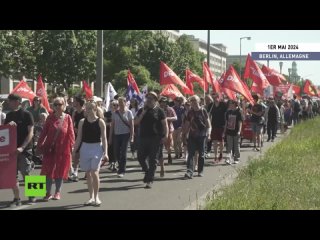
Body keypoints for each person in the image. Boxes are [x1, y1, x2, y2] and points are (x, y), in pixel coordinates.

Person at [36, 97, 75, 201]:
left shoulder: (68, 118)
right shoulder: (50, 118)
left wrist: (73, 148)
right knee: (47, 170)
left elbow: (71, 134)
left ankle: (57, 192)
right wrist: (39, 146)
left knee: (60, 171)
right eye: (55, 104)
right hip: (50, 148)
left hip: (63, 149)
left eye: (60, 104)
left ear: (64, 106)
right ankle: (47, 193)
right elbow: (44, 133)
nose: (57, 106)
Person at [73, 101, 108, 206]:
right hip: (85, 147)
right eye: (87, 108)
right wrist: (75, 150)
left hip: (97, 147)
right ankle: (91, 197)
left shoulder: (100, 122)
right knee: (88, 173)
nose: (88, 110)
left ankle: (97, 197)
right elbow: (79, 137)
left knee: (94, 171)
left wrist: (106, 152)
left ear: (95, 108)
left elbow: (104, 138)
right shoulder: (82, 122)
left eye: (90, 108)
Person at [4, 94, 35, 207]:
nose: (9, 103)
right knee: (12, 174)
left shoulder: (27, 114)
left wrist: (22, 147)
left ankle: (34, 194)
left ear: (17, 101)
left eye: (11, 101)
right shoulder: (8, 115)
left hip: (25, 148)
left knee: (26, 172)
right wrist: (8, 125)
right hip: (12, 149)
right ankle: (17, 198)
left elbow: (31, 132)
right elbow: (4, 133)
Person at [135, 92, 168, 188]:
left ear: (155, 100)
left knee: (153, 160)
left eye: (151, 98)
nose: (148, 100)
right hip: (143, 138)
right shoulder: (142, 110)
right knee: (140, 157)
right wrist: (143, 113)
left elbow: (165, 124)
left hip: (155, 138)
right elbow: (136, 122)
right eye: (147, 98)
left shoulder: (160, 111)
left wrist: (165, 135)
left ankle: (150, 180)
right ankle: (147, 172)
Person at [182, 95, 211, 179]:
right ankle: (189, 171)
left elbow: (208, 124)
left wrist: (208, 134)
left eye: (194, 100)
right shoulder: (189, 112)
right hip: (192, 136)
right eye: (192, 101)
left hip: (202, 136)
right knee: (190, 154)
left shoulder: (203, 111)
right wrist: (184, 134)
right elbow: (187, 124)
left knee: (201, 154)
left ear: (199, 101)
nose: (193, 102)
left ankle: (200, 171)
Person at [109, 97, 134, 178]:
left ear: (125, 102)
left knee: (123, 153)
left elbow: (131, 125)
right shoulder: (115, 113)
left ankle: (122, 170)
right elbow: (112, 126)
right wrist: (110, 137)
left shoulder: (129, 112)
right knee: (116, 152)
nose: (120, 104)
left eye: (121, 102)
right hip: (116, 135)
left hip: (125, 135)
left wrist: (132, 136)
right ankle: (120, 165)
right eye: (118, 103)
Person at [158, 97, 177, 177]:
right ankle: (160, 159)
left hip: (169, 129)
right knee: (161, 147)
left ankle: (169, 155)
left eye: (165, 102)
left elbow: (175, 118)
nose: (163, 103)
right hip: (159, 131)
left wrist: (167, 119)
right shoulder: (157, 110)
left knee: (168, 145)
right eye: (162, 102)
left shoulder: (170, 109)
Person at [70, 96, 86, 182]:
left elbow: (88, 124)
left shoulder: (84, 112)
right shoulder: (75, 112)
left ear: (79, 103)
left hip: (85, 136)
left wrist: (80, 129)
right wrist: (74, 129)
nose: (73, 103)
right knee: (76, 154)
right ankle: (75, 172)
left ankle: (87, 172)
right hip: (77, 135)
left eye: (75, 101)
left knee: (83, 154)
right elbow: (72, 123)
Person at [209, 94, 227, 162]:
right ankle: (216, 156)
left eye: (216, 97)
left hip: (222, 125)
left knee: (221, 141)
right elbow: (209, 115)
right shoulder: (211, 105)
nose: (215, 98)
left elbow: (226, 114)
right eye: (213, 97)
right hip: (214, 125)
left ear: (219, 97)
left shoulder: (223, 104)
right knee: (215, 141)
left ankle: (221, 153)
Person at [224, 100, 243, 165]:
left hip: (236, 132)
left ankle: (236, 158)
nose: (229, 105)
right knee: (229, 146)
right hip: (229, 131)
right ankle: (229, 159)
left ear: (235, 104)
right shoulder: (228, 112)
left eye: (231, 104)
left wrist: (239, 131)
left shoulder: (239, 112)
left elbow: (240, 122)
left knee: (236, 146)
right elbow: (226, 122)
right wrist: (224, 131)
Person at [105, 100, 118, 172]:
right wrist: (109, 124)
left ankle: (115, 162)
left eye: (116, 105)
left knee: (116, 147)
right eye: (113, 105)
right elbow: (104, 122)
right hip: (109, 132)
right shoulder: (107, 113)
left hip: (117, 132)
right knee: (110, 147)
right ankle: (111, 162)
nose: (115, 106)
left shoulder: (119, 113)